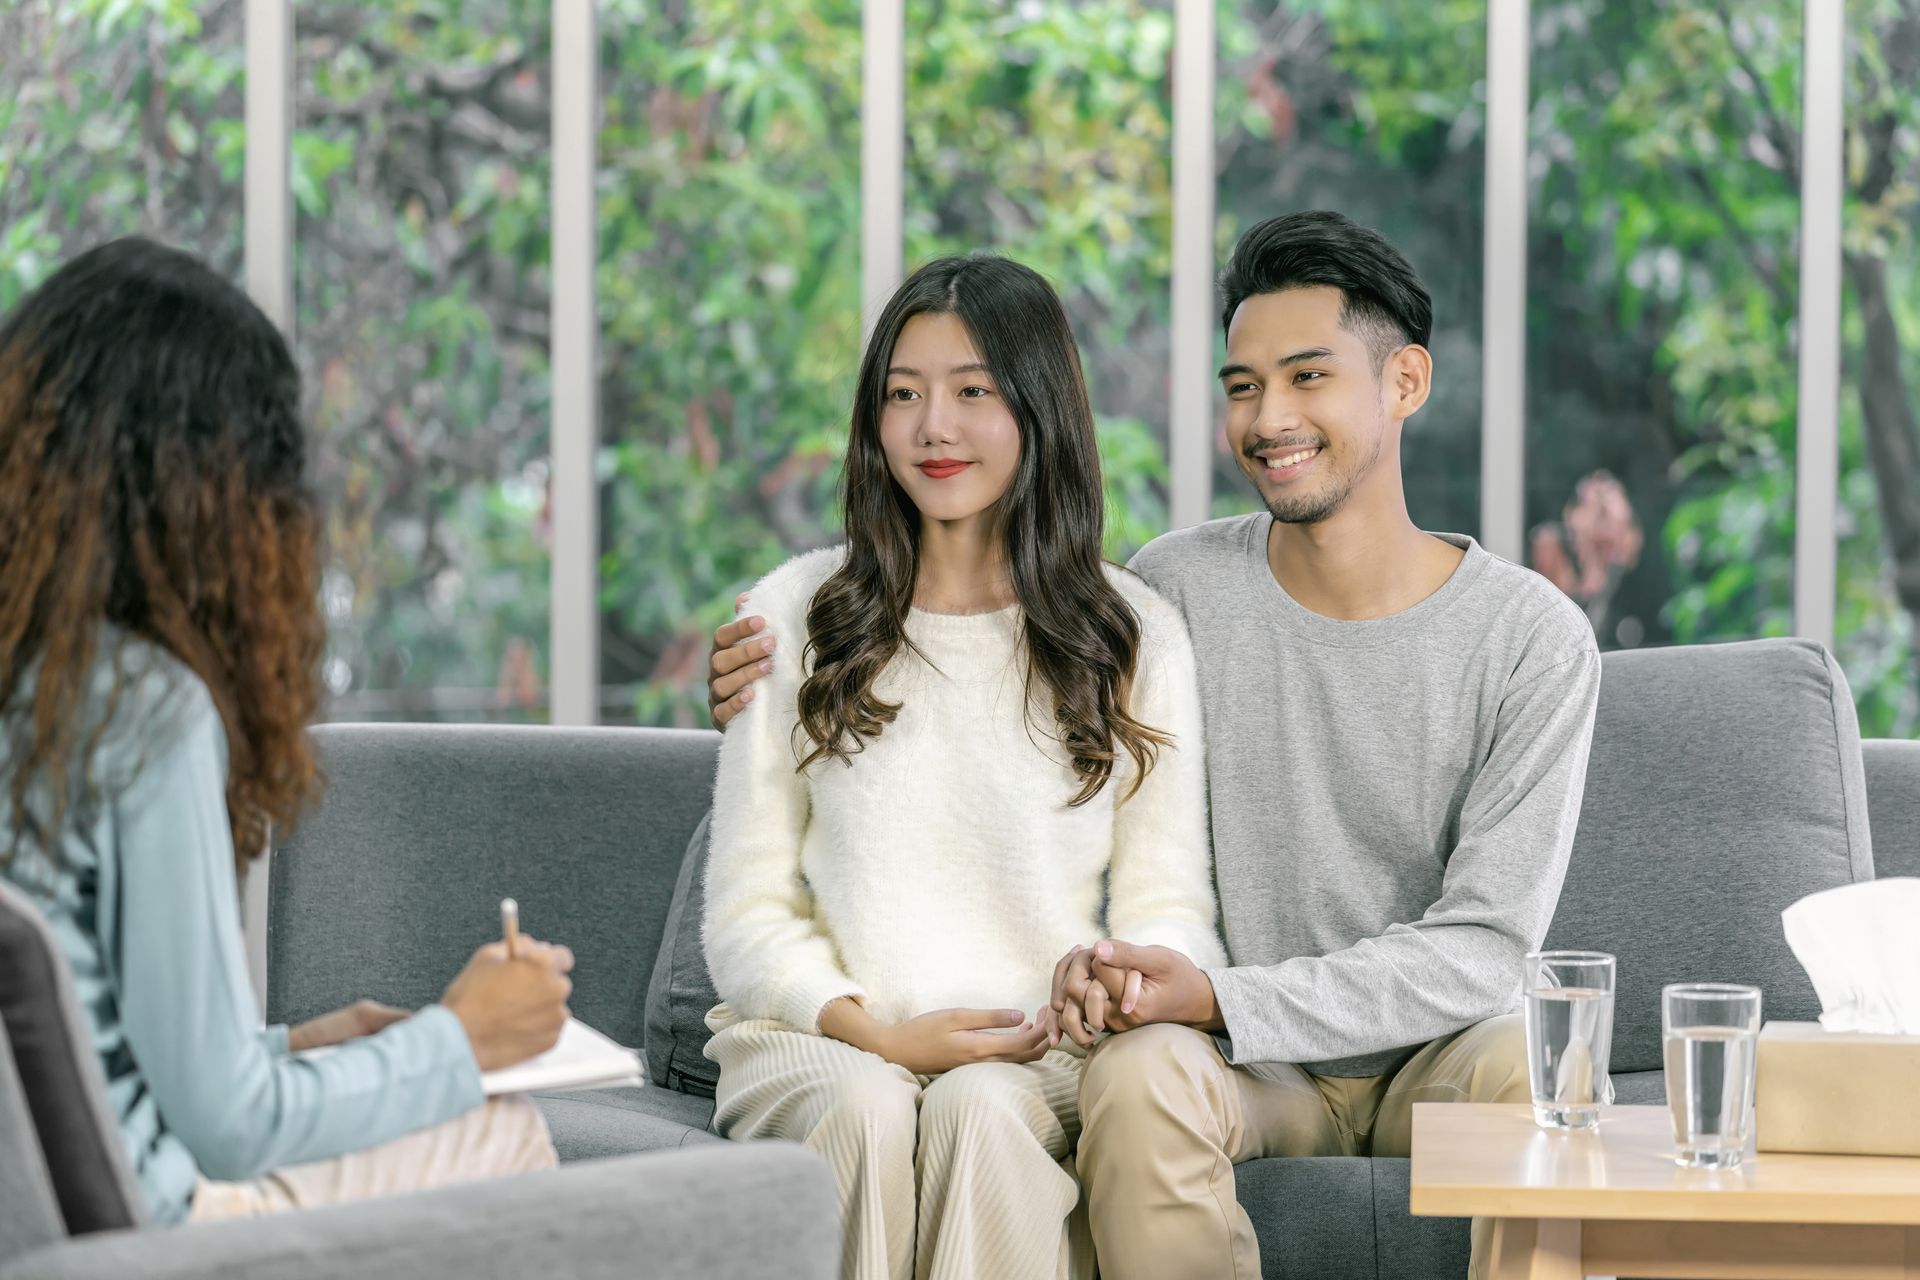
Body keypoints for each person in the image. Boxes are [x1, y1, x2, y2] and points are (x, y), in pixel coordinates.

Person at [708, 212, 1602, 1280]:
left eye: (1308, 376)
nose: (1269, 417)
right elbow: (996, 672)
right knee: (1134, 1073)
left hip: (1438, 1052)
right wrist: (756, 682)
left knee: (1550, 1066)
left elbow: (1486, 948)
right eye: (1242, 385)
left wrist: (1213, 993)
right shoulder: (1168, 595)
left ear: (1403, 382)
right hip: (1243, 1062)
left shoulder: (1531, 637)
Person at [0, 238, 575, 1225]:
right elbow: (229, 1126)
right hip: (147, 1227)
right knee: (506, 1129)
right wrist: (460, 1040)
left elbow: (98, 1050)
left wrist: (304, 1041)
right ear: (209, 487)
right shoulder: (141, 707)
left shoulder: (34, 682)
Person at [698, 253, 1223, 1280]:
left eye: (973, 391)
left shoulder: (1135, 635)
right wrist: (883, 1039)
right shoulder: (792, 613)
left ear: (1039, 408)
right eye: (904, 394)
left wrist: (1107, 988)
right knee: (863, 1110)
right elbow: (747, 914)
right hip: (824, 1039)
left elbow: (1169, 908)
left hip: (1039, 1051)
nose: (933, 427)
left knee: (982, 1116)